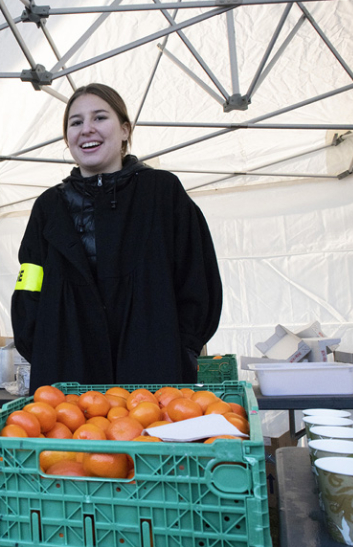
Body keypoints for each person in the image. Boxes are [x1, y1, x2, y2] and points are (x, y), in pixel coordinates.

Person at [11, 83, 222, 390]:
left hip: (152, 369)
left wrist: (182, 346)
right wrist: (38, 344)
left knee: (148, 438)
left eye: (99, 118)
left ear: (125, 130)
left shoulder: (162, 193)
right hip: (67, 369)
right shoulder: (48, 207)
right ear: (67, 138)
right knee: (72, 438)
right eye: (76, 122)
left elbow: (197, 276)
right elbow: (29, 278)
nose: (87, 129)